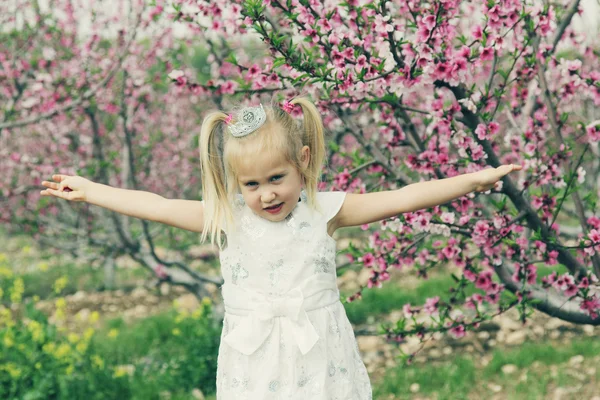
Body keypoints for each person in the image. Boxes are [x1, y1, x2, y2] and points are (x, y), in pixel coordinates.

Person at [40, 96, 521, 399]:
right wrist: (92, 190)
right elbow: (156, 204)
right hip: (253, 358)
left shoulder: (324, 211)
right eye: (251, 183)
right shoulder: (227, 217)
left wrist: (471, 181)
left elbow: (400, 198)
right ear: (234, 182)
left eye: (277, 178)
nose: (266, 194)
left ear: (303, 162)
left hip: (319, 350)